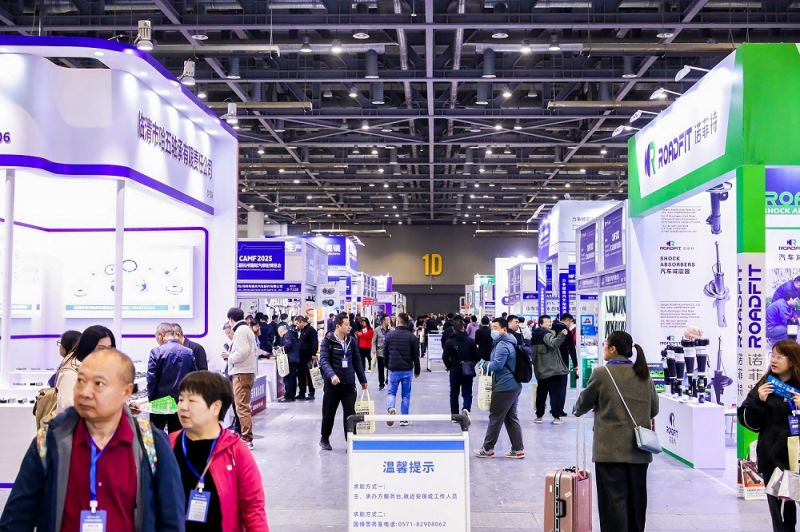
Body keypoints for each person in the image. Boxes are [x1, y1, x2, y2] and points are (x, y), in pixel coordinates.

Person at [0, 349, 184, 530]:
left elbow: (171, 521)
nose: (85, 392)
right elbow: (16, 520)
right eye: (80, 380)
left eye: (99, 383)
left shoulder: (152, 445)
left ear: (126, 392)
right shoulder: (49, 443)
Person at [573, 331, 659, 532]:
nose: (604, 348)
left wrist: (581, 409)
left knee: (612, 503)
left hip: (610, 450)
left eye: (605, 345)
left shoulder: (602, 373)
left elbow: (583, 403)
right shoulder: (643, 373)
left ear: (613, 349)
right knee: (637, 502)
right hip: (639, 449)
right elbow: (654, 409)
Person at [172, 371, 269, 531]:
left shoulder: (236, 450)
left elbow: (253, 507)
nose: (182, 407)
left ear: (216, 407)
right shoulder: (168, 445)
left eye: (191, 400)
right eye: (181, 399)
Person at [739, 340, 800, 531]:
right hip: (774, 460)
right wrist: (759, 401)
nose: (774, 360)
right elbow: (749, 422)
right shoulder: (765, 385)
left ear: (792, 360)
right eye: (772, 355)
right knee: (781, 515)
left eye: (779, 356)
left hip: (797, 459)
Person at [475, 317, 525, 459]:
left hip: (505, 386)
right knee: (510, 417)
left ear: (504, 329)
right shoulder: (508, 342)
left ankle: (487, 449)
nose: (493, 330)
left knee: (496, 417)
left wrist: (483, 364)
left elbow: (497, 365)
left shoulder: (503, 344)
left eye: (496, 328)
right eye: (492, 327)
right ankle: (518, 449)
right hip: (513, 385)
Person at [319, 313, 368, 451]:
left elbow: (357, 361)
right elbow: (324, 361)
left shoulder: (352, 340)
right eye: (346, 324)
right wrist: (332, 375)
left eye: (349, 324)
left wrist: (363, 380)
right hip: (333, 385)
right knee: (328, 413)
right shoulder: (327, 341)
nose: (349, 327)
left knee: (350, 414)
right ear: (338, 326)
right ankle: (324, 439)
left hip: (349, 384)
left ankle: (351, 441)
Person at [56, 325, 116, 415]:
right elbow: (70, 410)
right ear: (87, 348)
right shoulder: (71, 374)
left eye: (109, 348)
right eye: (100, 348)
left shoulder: (101, 370)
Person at [148, 322, 197, 433]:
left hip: (159, 401)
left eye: (156, 337)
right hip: (180, 401)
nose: (157, 340)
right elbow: (194, 378)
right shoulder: (188, 352)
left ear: (161, 335)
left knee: (155, 436)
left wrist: (151, 400)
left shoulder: (156, 352)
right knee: (176, 435)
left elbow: (151, 379)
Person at [227, 307, 258, 449]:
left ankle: (247, 438)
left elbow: (242, 352)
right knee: (243, 405)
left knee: (241, 407)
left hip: (241, 373)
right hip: (247, 372)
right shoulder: (247, 330)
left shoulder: (240, 331)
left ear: (230, 319)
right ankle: (246, 436)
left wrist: (229, 357)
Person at [383, 313, 421, 426]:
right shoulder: (412, 337)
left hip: (393, 369)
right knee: (405, 395)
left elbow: (385, 353)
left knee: (391, 392)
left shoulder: (389, 336)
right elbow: (416, 356)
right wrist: (417, 370)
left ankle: (391, 408)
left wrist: (387, 365)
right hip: (407, 370)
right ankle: (404, 419)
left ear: (398, 321)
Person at [531, 314, 569, 425]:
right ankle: (556, 417)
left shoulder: (535, 335)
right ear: (541, 324)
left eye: (550, 321)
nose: (549, 323)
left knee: (541, 394)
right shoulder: (546, 334)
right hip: (552, 370)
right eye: (547, 322)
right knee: (555, 395)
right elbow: (553, 344)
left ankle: (539, 416)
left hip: (541, 370)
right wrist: (562, 335)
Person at [442, 318, 479, 416]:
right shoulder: (470, 341)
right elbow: (477, 356)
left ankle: (455, 414)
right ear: (464, 327)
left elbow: (444, 357)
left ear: (453, 329)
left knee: (454, 393)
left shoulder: (449, 341)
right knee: (467, 392)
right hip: (467, 370)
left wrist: (449, 366)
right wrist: (471, 364)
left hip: (454, 369)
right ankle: (466, 408)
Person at [552, 313, 579, 417]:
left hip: (551, 362)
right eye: (570, 322)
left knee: (553, 386)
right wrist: (575, 364)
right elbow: (572, 349)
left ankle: (554, 408)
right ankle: (559, 410)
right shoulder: (566, 331)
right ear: (568, 320)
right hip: (563, 362)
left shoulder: (551, 328)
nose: (570, 324)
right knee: (562, 386)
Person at [221, 322, 241, 434]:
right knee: (234, 403)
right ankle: (238, 427)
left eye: (229, 333)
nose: (228, 335)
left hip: (236, 376)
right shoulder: (232, 343)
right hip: (231, 375)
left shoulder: (239, 343)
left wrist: (229, 356)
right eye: (226, 334)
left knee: (238, 404)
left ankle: (240, 428)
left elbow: (240, 357)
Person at [297, 316, 320, 400]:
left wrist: (314, 353)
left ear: (302, 322)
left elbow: (315, 342)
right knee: (301, 375)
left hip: (309, 356)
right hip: (301, 356)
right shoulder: (302, 330)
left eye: (297, 323)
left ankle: (311, 393)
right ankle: (302, 393)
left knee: (310, 375)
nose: (297, 325)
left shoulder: (311, 330)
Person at [279, 324, 300, 403]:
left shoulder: (287, 335)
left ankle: (288, 396)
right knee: (293, 378)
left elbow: (288, 345)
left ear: (281, 331)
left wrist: (280, 350)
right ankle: (292, 396)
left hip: (290, 359)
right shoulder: (292, 334)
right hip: (294, 359)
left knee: (288, 378)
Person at [372, 314, 392, 391]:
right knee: (380, 369)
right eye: (387, 320)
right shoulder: (377, 330)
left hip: (389, 352)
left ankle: (388, 380)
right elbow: (374, 341)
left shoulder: (392, 330)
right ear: (383, 321)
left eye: (389, 319)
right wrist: (374, 350)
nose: (389, 321)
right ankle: (381, 383)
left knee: (389, 368)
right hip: (380, 352)